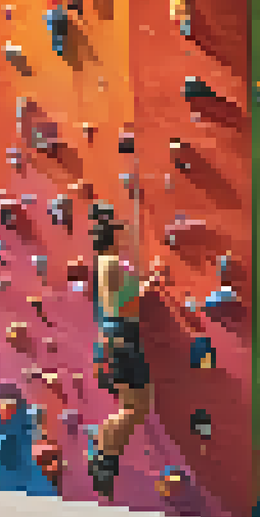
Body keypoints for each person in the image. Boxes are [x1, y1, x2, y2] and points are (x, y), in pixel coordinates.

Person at [85, 203, 165, 500]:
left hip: (118, 335)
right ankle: (102, 455)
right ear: (111, 236)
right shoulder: (111, 264)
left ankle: (106, 460)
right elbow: (119, 304)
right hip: (121, 336)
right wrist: (150, 283)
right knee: (133, 407)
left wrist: (145, 283)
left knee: (138, 406)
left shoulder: (105, 263)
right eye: (117, 231)